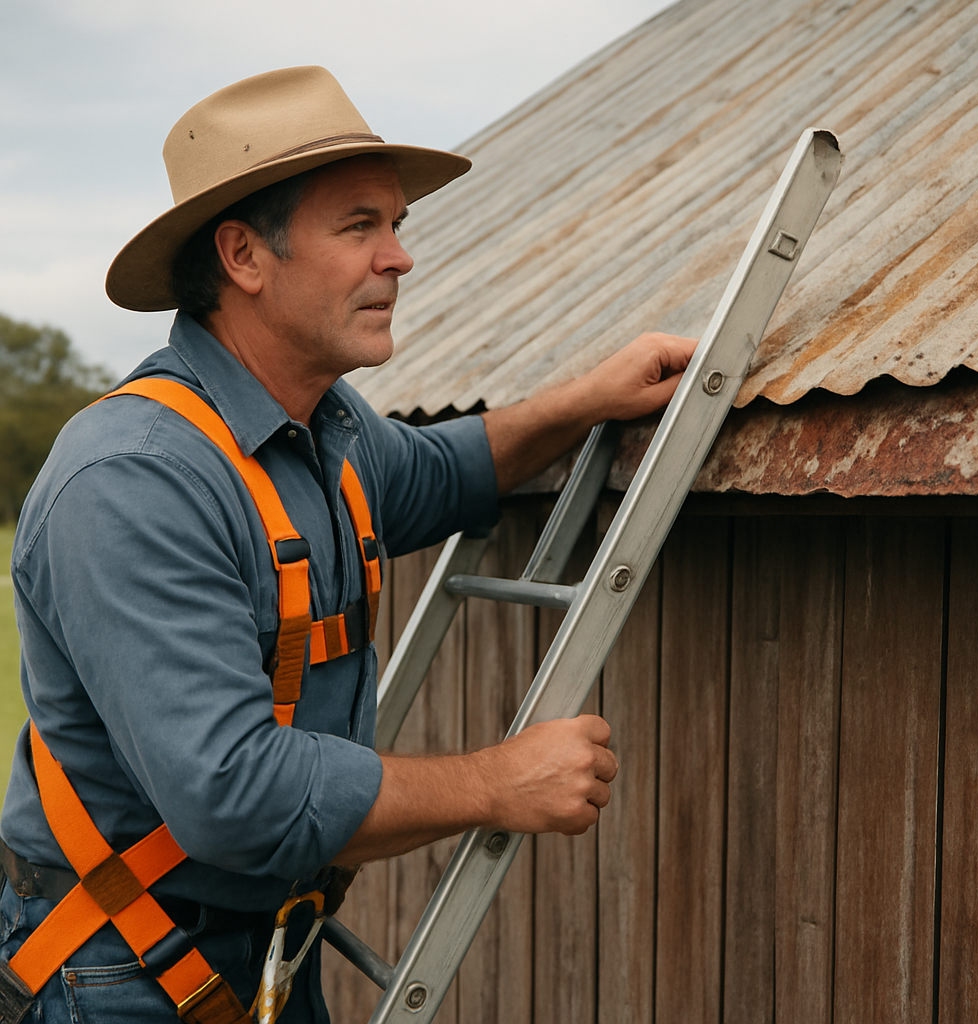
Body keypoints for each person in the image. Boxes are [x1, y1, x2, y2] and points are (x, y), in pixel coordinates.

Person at [0, 66, 698, 1022]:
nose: (401, 257)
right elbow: (234, 792)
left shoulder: (326, 426)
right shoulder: (133, 478)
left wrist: (587, 401)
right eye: (360, 225)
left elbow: (445, 470)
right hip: (121, 972)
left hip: (271, 951)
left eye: (397, 224)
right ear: (244, 255)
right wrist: (497, 781)